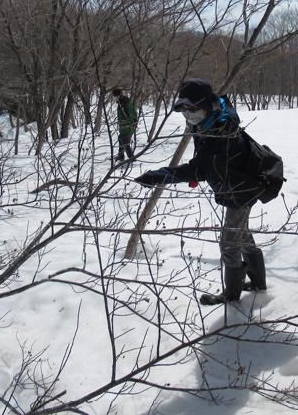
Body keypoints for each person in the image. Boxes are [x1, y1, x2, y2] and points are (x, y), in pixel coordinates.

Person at [134, 78, 267, 305]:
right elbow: (205, 165)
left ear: (206, 105)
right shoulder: (208, 122)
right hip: (235, 184)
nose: (189, 114)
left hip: (242, 189)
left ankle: (232, 296)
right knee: (241, 234)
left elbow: (200, 168)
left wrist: (161, 175)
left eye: (193, 108)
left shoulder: (222, 132)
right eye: (184, 109)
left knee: (229, 242)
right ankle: (257, 283)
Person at [112, 87, 137, 161]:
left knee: (125, 142)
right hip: (124, 127)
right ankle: (121, 156)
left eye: (114, 96)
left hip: (127, 127)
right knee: (121, 139)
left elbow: (131, 114)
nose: (114, 98)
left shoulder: (125, 103)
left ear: (118, 95)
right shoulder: (121, 103)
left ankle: (132, 159)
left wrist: (132, 123)